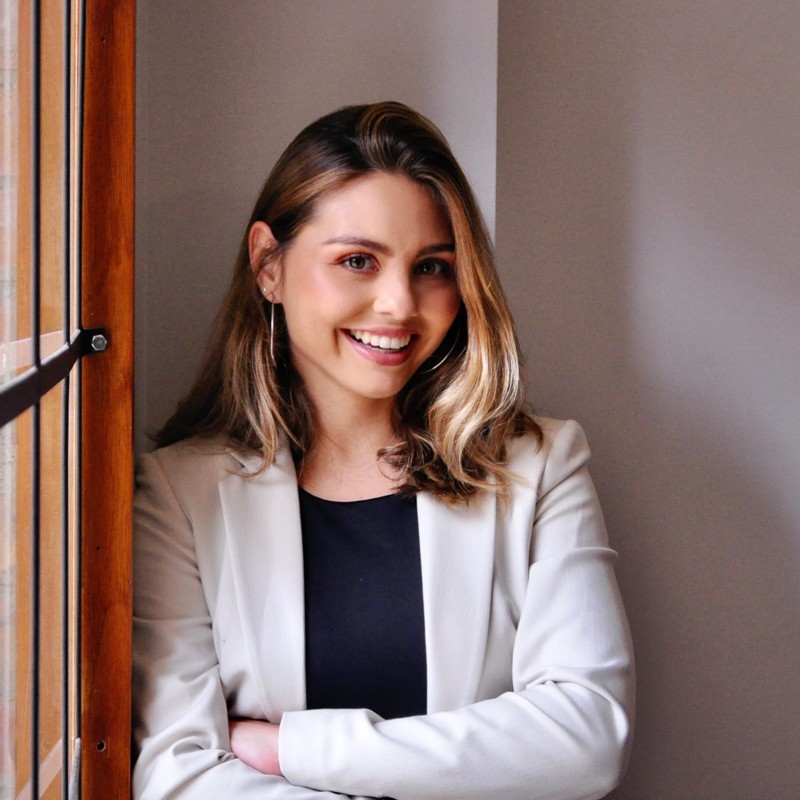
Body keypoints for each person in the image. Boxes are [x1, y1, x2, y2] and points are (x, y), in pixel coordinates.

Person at [132, 101, 634, 800]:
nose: (399, 303)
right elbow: (179, 775)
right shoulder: (178, 495)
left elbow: (588, 739)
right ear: (268, 264)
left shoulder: (539, 463)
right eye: (358, 261)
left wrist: (293, 748)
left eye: (432, 266)